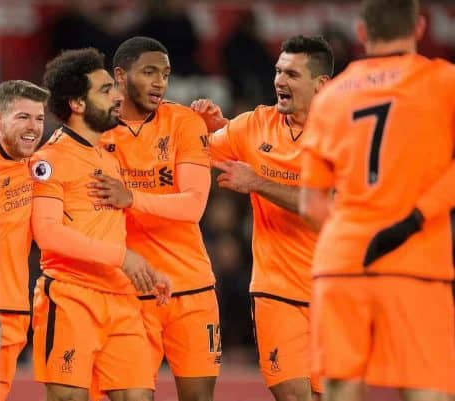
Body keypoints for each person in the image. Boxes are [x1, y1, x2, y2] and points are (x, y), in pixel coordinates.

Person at [298, 1, 455, 400]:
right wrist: (418, 216)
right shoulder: (443, 82)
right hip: (413, 262)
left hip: (341, 263)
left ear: (362, 33)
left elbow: (310, 205)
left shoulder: (330, 97)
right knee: (427, 391)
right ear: (420, 28)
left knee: (340, 390)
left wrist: (353, 241)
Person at [191, 35, 334, 401]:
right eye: (278, 71)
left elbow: (330, 208)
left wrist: (258, 182)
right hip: (276, 290)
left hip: (333, 290)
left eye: (292, 74)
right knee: (293, 397)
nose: (280, 81)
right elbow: (196, 149)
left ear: (321, 84)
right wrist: (200, 128)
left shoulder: (343, 134)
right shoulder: (253, 125)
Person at [30, 47, 171, 401]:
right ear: (77, 104)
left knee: (140, 396)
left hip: (121, 298)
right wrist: (123, 257)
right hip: (71, 297)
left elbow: (101, 228)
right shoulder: (48, 160)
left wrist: (146, 268)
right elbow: (46, 232)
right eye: (106, 90)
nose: (118, 96)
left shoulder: (107, 157)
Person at [87, 36, 220, 401]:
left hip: (190, 288)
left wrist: (130, 198)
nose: (160, 82)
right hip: (127, 290)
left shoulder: (184, 122)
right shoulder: (94, 131)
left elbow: (193, 205)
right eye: (149, 72)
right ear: (120, 75)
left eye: (166, 73)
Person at [0, 79, 49, 401]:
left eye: (39, 118)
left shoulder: (35, 166)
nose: (33, 127)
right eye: (22, 117)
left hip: (14, 317)